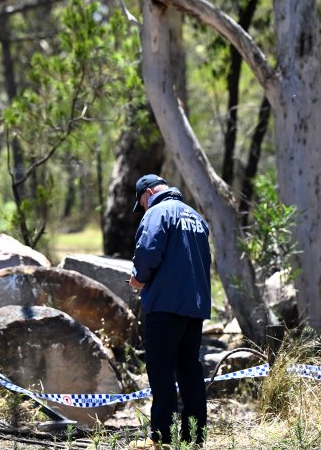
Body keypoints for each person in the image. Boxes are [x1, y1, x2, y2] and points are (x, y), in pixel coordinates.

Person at [127, 174, 211, 448]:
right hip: (194, 307)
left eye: (141, 203)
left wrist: (138, 278)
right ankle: (194, 437)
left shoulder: (157, 213)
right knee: (189, 369)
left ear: (149, 193)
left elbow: (148, 250)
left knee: (160, 370)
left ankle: (160, 438)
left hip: (165, 305)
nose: (143, 209)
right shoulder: (196, 217)